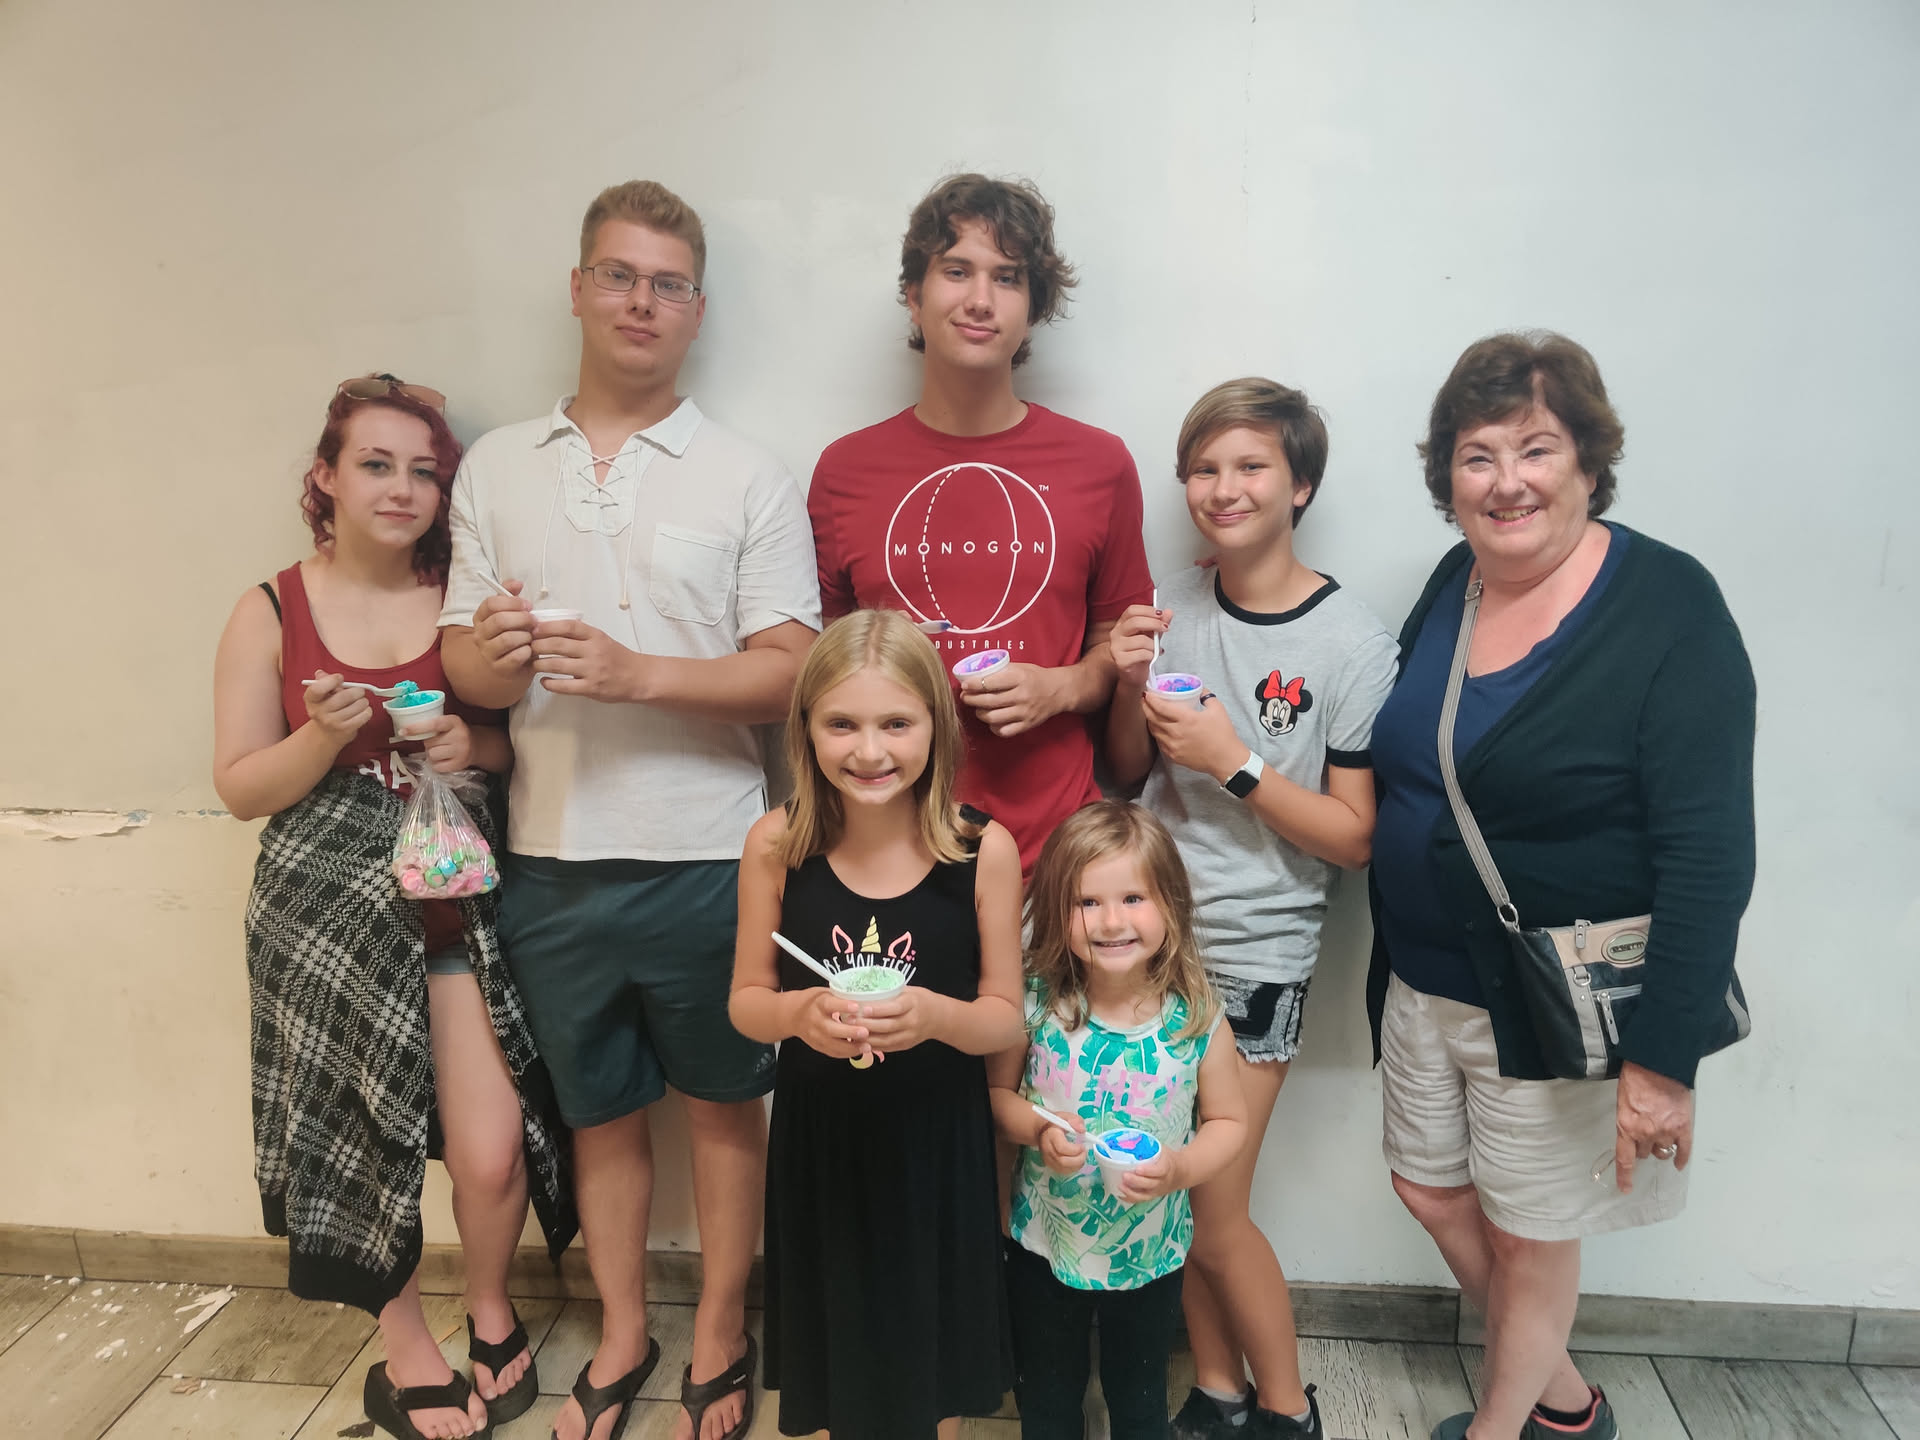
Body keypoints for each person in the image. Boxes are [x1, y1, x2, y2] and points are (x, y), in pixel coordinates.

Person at [437, 182, 820, 1440]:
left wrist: (638, 672)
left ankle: (719, 1332)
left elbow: (792, 671)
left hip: (713, 856)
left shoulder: (748, 475)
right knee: (596, 1114)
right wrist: (496, 656)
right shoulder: (498, 466)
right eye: (618, 275)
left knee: (725, 1107)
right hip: (547, 857)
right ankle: (621, 1331)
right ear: (578, 289)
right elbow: (465, 661)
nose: (640, 302)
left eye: (666, 284)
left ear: (696, 310)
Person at [1366, 333, 1756, 1440]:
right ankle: (1571, 1404)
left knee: (1532, 1234)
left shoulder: (1669, 607)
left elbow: (1710, 852)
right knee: (1430, 1189)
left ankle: (1508, 1428)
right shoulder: (1455, 583)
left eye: (1536, 449)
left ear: (1589, 460)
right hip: (1424, 981)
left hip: (1553, 998)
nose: (1508, 481)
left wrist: (1663, 1063)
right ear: (1448, 476)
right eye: (1477, 455)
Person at [213, 376, 575, 1440]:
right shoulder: (270, 608)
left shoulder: (459, 598)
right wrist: (323, 736)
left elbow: (518, 745)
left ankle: (491, 1303)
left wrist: (475, 745)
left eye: (424, 471)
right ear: (325, 478)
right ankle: (406, 1341)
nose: (402, 489)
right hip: (323, 920)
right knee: (363, 1142)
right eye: (376, 464)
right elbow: (241, 788)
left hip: (458, 906)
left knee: (492, 1147)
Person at [1107, 379, 1398, 1439]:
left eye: (1250, 467)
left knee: (1214, 1207)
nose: (1222, 488)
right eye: (1204, 468)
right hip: (1145, 945)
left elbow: (1354, 838)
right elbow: (1127, 773)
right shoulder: (1172, 609)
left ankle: (1286, 1407)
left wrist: (1234, 762)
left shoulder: (1352, 644)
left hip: (1257, 954)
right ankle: (1219, 1389)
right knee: (1170, 1192)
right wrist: (1127, 684)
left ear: (1300, 484)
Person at [730, 608, 1026, 1440]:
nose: (869, 751)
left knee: (934, 1370)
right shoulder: (775, 844)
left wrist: (935, 1016)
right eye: (842, 725)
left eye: (897, 724)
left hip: (939, 1149)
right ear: (805, 729)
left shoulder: (983, 851)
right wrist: (798, 1014)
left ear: (938, 725)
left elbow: (1005, 1020)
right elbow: (746, 1001)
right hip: (822, 1146)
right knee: (839, 1357)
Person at [807, 172, 1154, 877]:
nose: (980, 299)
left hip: (1054, 861)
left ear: (1033, 308)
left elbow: (1121, 651)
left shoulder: (1100, 464)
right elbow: (823, 670)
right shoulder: (845, 471)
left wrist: (1058, 688)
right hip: (890, 860)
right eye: (956, 270)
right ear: (914, 295)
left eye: (1008, 277)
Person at [989, 800, 1247, 1440]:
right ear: (1057, 909)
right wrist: (1037, 1129)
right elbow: (994, 1098)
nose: (1111, 921)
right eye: (1087, 902)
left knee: (1139, 1404)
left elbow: (1229, 1122)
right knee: (1046, 1401)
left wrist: (1180, 1168)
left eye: (1133, 898)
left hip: (1150, 1255)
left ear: (1171, 905)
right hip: (1043, 1247)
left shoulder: (1197, 1018)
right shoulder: (1034, 1003)